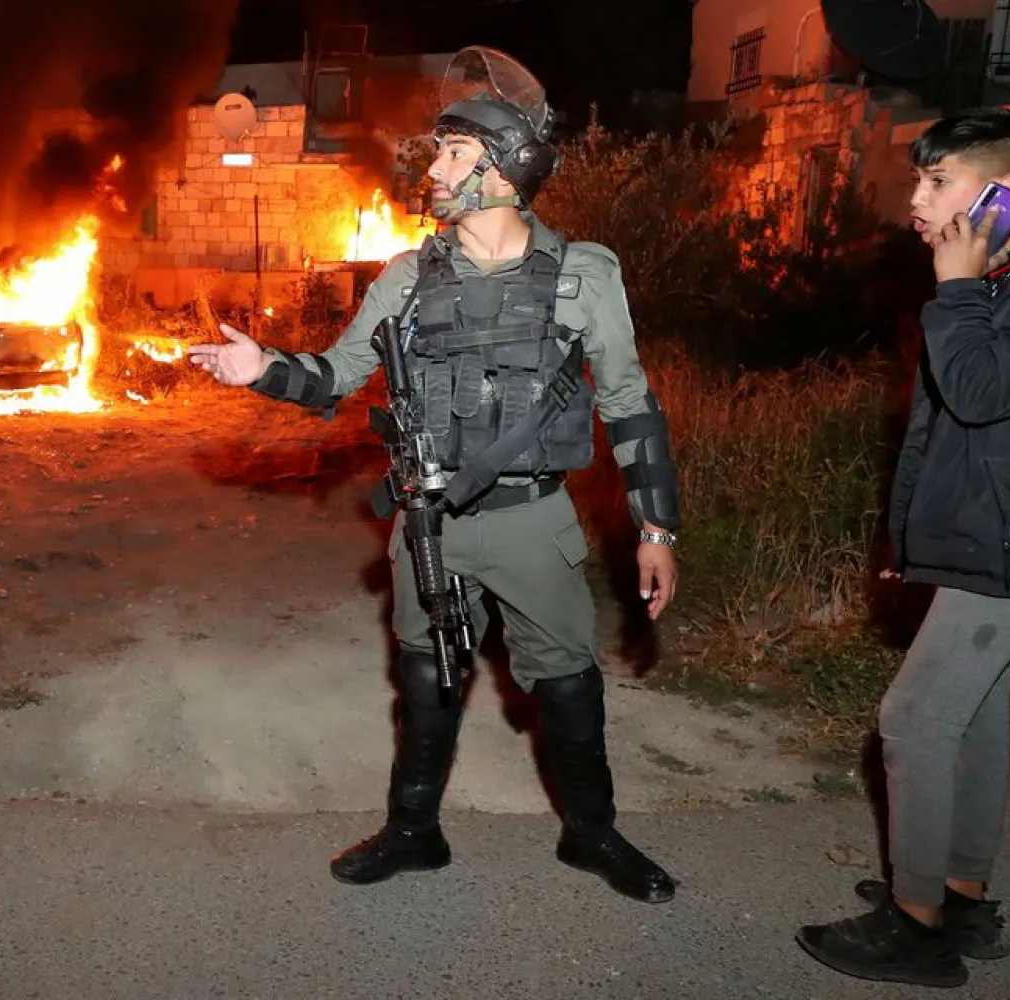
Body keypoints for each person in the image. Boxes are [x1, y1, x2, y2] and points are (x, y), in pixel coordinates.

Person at [186, 47, 682, 905]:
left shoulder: (584, 275)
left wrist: (656, 529)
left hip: (533, 520)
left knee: (567, 684)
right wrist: (263, 367)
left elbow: (631, 405)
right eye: (440, 152)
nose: (436, 167)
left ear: (503, 171)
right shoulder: (409, 276)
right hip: (431, 520)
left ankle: (592, 835)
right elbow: (337, 374)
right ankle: (415, 831)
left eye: (455, 154)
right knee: (428, 674)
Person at [795, 107, 1010, 987]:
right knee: (974, 719)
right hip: (995, 529)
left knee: (913, 720)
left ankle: (917, 932)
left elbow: (980, 394)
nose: (916, 200)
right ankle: (960, 896)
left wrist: (953, 285)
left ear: (1002, 191)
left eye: (937, 183)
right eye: (920, 180)